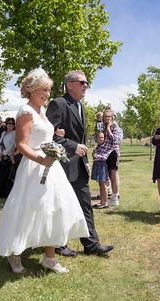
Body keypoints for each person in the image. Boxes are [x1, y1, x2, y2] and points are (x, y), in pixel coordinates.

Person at [0, 68, 89, 274]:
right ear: (32, 90)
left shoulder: (42, 112)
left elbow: (44, 137)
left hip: (51, 167)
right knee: (27, 208)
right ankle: (14, 253)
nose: (47, 94)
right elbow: (22, 144)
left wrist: (55, 137)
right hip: (34, 167)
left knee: (53, 209)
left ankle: (50, 258)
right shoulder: (25, 112)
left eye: (49, 90)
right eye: (44, 90)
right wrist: (41, 159)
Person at [46, 70, 114, 257]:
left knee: (85, 204)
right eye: (82, 82)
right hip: (62, 166)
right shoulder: (58, 104)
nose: (86, 86)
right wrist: (73, 146)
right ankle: (59, 244)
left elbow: (80, 138)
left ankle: (91, 245)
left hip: (79, 165)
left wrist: (84, 160)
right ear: (69, 84)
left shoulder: (81, 107)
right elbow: (48, 136)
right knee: (61, 206)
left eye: (87, 83)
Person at [96, 108, 121, 207]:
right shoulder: (101, 126)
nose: (106, 118)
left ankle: (115, 196)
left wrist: (109, 129)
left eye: (108, 117)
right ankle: (105, 198)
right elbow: (100, 139)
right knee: (105, 175)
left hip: (113, 152)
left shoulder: (115, 126)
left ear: (112, 117)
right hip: (104, 153)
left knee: (113, 174)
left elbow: (116, 141)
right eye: (105, 117)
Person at [0, 117, 17, 197]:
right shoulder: (3, 133)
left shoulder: (14, 133)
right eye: (9, 123)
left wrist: (3, 153)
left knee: (8, 176)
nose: (10, 125)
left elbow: (12, 146)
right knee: (1, 175)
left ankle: (8, 193)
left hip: (9, 157)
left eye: (12, 123)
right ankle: (2, 192)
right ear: (6, 124)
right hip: (1, 156)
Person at [91, 131, 109, 209]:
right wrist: (94, 154)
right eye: (99, 137)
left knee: (103, 184)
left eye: (102, 137)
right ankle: (102, 201)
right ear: (96, 138)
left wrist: (95, 154)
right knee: (100, 184)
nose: (101, 139)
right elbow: (95, 157)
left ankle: (105, 202)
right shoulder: (98, 146)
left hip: (103, 166)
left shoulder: (105, 146)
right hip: (98, 165)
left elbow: (104, 157)